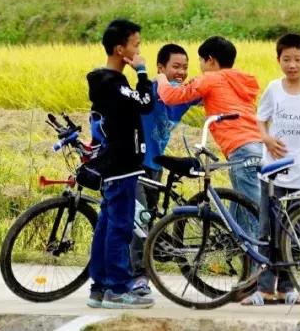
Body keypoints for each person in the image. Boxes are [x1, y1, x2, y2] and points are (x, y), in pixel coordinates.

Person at [243, 33, 300, 306]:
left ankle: (287, 287)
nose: (292, 65)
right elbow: (260, 120)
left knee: (295, 232)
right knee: (267, 231)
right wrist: (267, 139)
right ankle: (263, 288)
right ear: (278, 60)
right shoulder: (274, 89)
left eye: (297, 59)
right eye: (286, 59)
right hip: (274, 170)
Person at [156, 36, 261, 233]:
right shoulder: (239, 80)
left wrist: (161, 77)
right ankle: (239, 247)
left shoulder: (210, 79)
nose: (200, 66)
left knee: (252, 216)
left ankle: (258, 254)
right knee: (240, 209)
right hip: (259, 146)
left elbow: (170, 97)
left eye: (201, 61)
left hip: (240, 149)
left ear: (210, 60)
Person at [85, 19, 156, 309]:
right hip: (121, 164)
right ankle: (117, 288)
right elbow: (146, 102)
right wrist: (142, 71)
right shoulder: (112, 83)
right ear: (120, 49)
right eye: (135, 45)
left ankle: (100, 287)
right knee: (120, 227)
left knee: (106, 224)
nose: (139, 51)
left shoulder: (108, 83)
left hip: (116, 164)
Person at [128, 43, 200, 296]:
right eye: (175, 66)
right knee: (140, 221)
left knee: (148, 218)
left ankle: (141, 267)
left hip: (156, 165)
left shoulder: (182, 95)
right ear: (161, 68)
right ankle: (140, 276)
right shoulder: (152, 89)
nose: (181, 72)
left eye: (185, 67)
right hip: (135, 163)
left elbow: (209, 91)